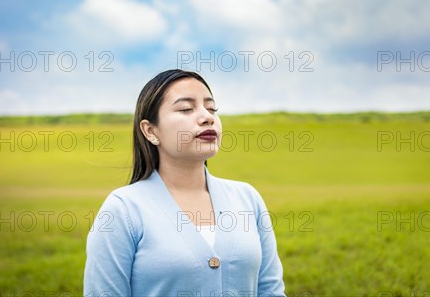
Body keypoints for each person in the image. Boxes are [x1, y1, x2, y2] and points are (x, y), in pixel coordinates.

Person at [84, 69, 285, 296]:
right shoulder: (123, 209)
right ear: (150, 131)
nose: (207, 117)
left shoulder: (248, 198)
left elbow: (271, 291)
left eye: (211, 108)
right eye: (186, 109)